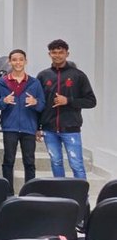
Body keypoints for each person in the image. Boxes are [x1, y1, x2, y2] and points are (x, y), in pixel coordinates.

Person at [36, 39, 97, 179]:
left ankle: (82, 198)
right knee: (55, 162)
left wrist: (68, 101)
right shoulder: (43, 76)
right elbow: (39, 103)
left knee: (76, 164)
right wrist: (37, 126)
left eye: (61, 52)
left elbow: (91, 101)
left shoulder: (78, 76)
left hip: (71, 129)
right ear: (49, 54)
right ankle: (60, 195)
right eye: (54, 52)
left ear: (67, 54)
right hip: (49, 129)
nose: (57, 55)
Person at [0, 49, 46, 191]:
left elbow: (42, 105)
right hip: (9, 127)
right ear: (10, 62)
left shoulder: (34, 83)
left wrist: (35, 102)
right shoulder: (1, 83)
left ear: (25, 61)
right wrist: (4, 101)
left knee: (29, 161)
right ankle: (8, 192)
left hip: (28, 127)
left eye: (21, 59)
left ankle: (30, 191)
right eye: (14, 60)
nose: (18, 62)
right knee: (8, 161)